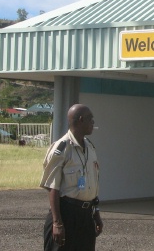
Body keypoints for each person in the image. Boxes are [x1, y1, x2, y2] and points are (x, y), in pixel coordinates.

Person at [40, 104, 103, 251]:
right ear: (81, 120)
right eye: (90, 119)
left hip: (86, 216)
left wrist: (96, 214)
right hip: (66, 215)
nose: (93, 122)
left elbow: (92, 186)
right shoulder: (61, 149)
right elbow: (52, 187)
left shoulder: (90, 148)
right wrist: (57, 223)